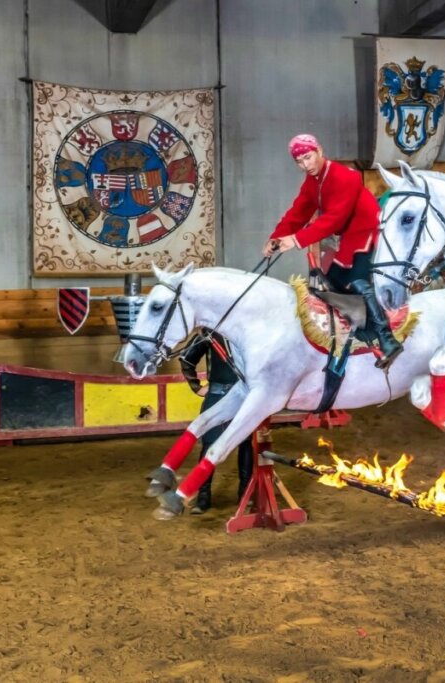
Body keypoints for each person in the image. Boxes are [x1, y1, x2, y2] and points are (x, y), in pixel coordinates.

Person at [263, 134, 402, 369]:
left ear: (319, 150)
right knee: (332, 283)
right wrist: (276, 237)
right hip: (349, 238)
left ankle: (387, 338)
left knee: (358, 280)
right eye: (299, 161)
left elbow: (335, 219)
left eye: (308, 157)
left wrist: (296, 239)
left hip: (369, 232)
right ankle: (358, 338)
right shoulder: (312, 182)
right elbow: (298, 212)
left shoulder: (346, 176)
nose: (305, 165)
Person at [178, 330, 254, 514]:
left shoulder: (249, 329)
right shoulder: (209, 333)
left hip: (245, 395)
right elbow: (186, 358)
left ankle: (246, 493)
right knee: (209, 444)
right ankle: (203, 496)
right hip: (217, 395)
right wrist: (196, 386)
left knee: (246, 444)